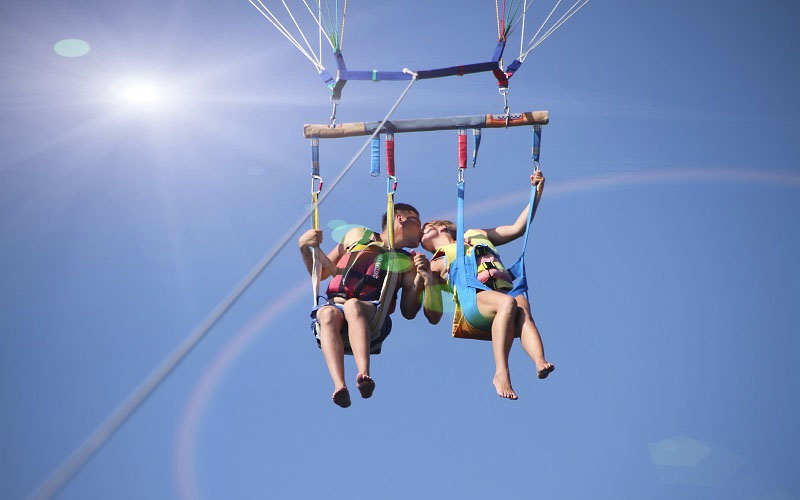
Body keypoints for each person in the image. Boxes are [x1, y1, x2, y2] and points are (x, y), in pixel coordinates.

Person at [420, 172, 554, 400]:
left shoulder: (476, 233)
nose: (421, 236)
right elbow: (432, 315)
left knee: (523, 311)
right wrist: (425, 277)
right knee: (508, 304)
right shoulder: (435, 262)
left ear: (440, 227)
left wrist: (537, 192)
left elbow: (516, 228)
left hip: (504, 285)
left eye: (424, 229)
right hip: (475, 298)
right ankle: (501, 372)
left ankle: (539, 361)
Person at [298, 203, 440, 408]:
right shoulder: (357, 235)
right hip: (336, 305)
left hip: (373, 316)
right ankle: (339, 386)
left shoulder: (409, 261)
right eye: (418, 223)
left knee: (354, 305)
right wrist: (304, 247)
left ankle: (364, 373)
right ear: (401, 218)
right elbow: (322, 273)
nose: (421, 232)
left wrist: (421, 278)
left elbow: (409, 311)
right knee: (326, 314)